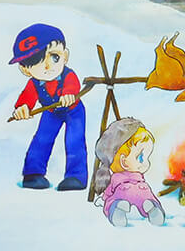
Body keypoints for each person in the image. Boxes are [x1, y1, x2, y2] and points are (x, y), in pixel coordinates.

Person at [9, 23, 87, 190]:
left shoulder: (68, 75)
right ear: (25, 69)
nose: (47, 66)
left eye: (54, 57)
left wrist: (68, 94)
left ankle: (76, 176)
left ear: (65, 56)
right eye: (36, 62)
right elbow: (27, 98)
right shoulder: (34, 83)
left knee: (74, 140)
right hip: (51, 112)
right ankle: (33, 173)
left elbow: (72, 85)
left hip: (73, 111)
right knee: (42, 139)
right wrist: (22, 108)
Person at [92, 117, 165, 227]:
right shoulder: (138, 178)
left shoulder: (116, 178)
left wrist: (104, 199)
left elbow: (108, 194)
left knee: (111, 203)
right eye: (141, 158)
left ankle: (118, 209)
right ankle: (152, 207)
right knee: (149, 200)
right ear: (123, 161)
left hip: (122, 195)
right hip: (143, 193)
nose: (147, 163)